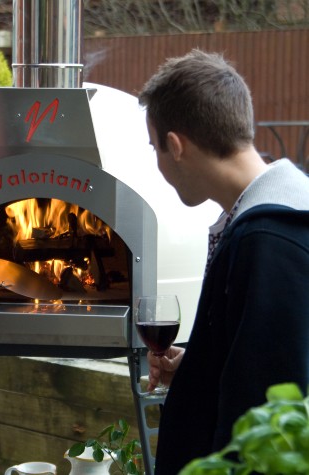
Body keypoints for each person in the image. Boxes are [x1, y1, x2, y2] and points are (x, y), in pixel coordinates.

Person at [138, 49, 309, 474]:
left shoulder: (268, 238)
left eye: (153, 147)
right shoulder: (275, 219)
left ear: (175, 146)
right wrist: (198, 367)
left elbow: (266, 417)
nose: (157, 162)